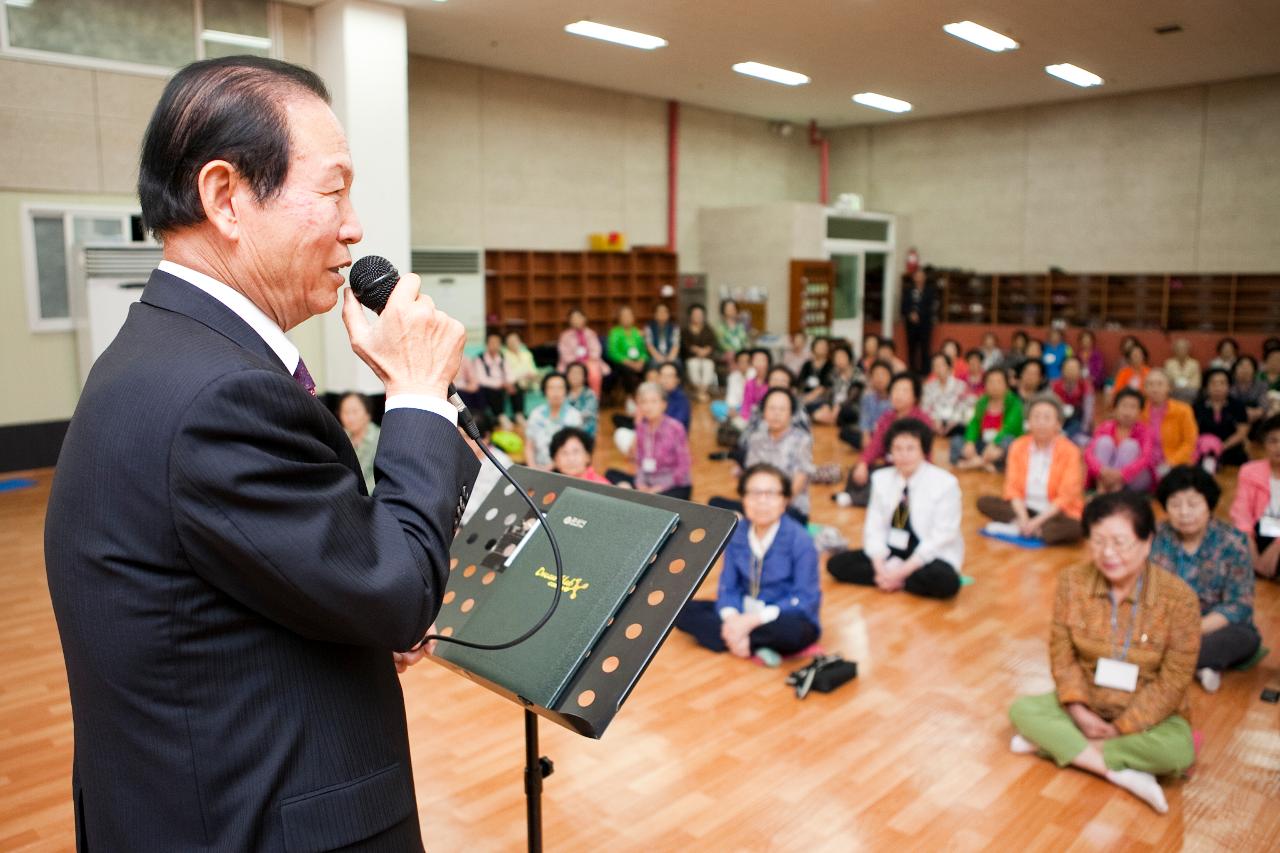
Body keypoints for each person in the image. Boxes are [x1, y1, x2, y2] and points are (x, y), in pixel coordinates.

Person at [43, 57, 479, 851]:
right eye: (333, 189)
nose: (354, 226)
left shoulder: (158, 352)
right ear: (226, 197)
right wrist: (417, 392)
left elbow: (235, 584)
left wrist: (354, 605)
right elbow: (400, 590)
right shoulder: (222, 396)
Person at [1007, 491, 1200, 814]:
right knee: (1022, 710)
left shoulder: (1179, 600)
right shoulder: (1073, 582)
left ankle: (1059, 746)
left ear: (1147, 541)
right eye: (1097, 541)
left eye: (1120, 542)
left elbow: (1174, 680)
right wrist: (1080, 711)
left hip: (1148, 715)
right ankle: (1119, 772)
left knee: (1178, 752)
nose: (1107, 553)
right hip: (1086, 700)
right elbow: (1062, 654)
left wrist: (1123, 726)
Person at [675, 464, 820, 665]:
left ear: (785, 500)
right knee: (681, 610)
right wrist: (734, 619)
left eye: (770, 494)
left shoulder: (800, 540)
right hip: (744, 609)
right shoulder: (737, 534)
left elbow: (805, 599)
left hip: (782, 615)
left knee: (792, 632)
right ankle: (752, 644)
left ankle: (737, 640)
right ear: (743, 499)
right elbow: (727, 587)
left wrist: (751, 621)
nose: (762, 501)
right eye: (754, 493)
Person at [1151, 466, 1263, 692]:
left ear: (1209, 505)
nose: (1184, 512)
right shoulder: (1156, 536)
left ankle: (1167, 659)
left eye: (1193, 504)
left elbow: (1238, 604)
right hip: (1163, 623)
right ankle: (1197, 665)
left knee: (1246, 639)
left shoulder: (1232, 542)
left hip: (1213, 625)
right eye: (1175, 504)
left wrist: (1192, 629)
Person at [827, 418, 963, 599]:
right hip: (892, 550)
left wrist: (902, 572)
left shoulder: (945, 484)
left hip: (925, 555)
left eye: (910, 448)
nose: (904, 455)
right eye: (898, 449)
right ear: (890, 452)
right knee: (836, 564)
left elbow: (941, 537)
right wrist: (879, 565)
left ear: (924, 450)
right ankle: (890, 578)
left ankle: (898, 580)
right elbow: (873, 527)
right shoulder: (881, 479)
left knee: (946, 582)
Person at [977, 396, 1085, 545]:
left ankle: (1022, 529)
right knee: (984, 502)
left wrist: (1036, 522)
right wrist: (1024, 518)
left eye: (1047, 418)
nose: (1041, 423)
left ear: (1058, 424)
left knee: (1078, 527)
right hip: (1025, 508)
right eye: (1036, 417)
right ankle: (1028, 528)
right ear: (1029, 422)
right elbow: (1012, 488)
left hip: (1054, 512)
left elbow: (1066, 497)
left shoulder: (1070, 451)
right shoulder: (1018, 446)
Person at [719, 388, 814, 524]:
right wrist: (754, 504)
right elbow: (751, 476)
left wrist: (775, 507)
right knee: (715, 503)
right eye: (772, 408)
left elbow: (800, 478)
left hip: (789, 506)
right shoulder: (756, 438)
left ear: (791, 413)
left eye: (782, 409)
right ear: (764, 412)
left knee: (786, 520)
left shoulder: (802, 440)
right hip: (758, 503)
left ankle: (747, 521)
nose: (776, 414)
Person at [840, 372, 934, 507]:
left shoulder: (923, 420)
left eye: (904, 391)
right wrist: (863, 463)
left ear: (915, 397)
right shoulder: (887, 418)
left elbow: (926, 457)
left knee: (893, 488)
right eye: (895, 390)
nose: (898, 395)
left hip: (912, 470)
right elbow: (875, 445)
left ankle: (857, 499)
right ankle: (860, 497)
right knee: (857, 472)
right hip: (891, 467)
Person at [1230, 414, 1280, 579]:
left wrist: (1277, 547)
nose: (1278, 447)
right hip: (1259, 531)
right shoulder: (1250, 471)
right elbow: (1241, 512)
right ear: (1264, 444)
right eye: (1273, 441)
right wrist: (1249, 543)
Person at [627, 382, 693, 500]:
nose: (648, 406)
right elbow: (639, 461)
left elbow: (683, 466)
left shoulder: (675, 428)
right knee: (612, 474)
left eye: (653, 401)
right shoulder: (641, 427)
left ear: (663, 404)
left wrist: (658, 488)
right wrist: (640, 484)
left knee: (651, 502)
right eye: (644, 402)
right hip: (649, 482)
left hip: (673, 485)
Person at [1086, 388, 1157, 493]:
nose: (1127, 412)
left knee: (1130, 446)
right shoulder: (1104, 427)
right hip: (1104, 476)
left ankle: (1114, 491)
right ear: (1115, 408)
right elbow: (1089, 453)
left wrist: (1121, 474)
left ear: (1140, 412)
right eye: (1124, 406)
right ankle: (1102, 490)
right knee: (1104, 442)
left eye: (1133, 407)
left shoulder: (1145, 431)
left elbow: (1145, 458)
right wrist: (1101, 470)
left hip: (1134, 478)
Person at [954, 368, 1023, 471]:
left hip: (1000, 444)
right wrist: (970, 442)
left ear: (1006, 385)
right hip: (984, 443)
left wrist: (994, 443)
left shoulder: (1014, 403)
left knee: (1009, 442)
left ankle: (976, 463)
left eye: (999, 382)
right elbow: (974, 423)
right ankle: (986, 464)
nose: (994, 386)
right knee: (956, 441)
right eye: (990, 382)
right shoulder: (982, 401)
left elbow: (1009, 427)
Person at [460, 410, 514, 525]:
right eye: (459, 436)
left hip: (490, 523)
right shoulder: (457, 458)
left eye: (467, 437)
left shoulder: (501, 463)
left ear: (486, 437)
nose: (462, 442)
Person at [1142, 369, 1197, 477]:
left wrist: (1172, 462)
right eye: (1150, 384)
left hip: (1175, 462)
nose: (1155, 389)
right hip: (1148, 463)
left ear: (1169, 387)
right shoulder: (1140, 411)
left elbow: (1190, 442)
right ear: (1144, 388)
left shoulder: (1183, 410)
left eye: (1160, 384)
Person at [524, 371, 583, 470]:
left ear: (566, 391)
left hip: (564, 469)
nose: (556, 392)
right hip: (537, 466)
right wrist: (532, 467)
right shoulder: (536, 414)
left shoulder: (574, 416)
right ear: (545, 391)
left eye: (560, 388)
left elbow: (572, 450)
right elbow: (529, 447)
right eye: (551, 388)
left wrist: (548, 469)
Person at [1194, 367, 1250, 470]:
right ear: (1206, 386)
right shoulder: (1197, 406)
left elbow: (1242, 432)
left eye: (1222, 383)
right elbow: (1192, 431)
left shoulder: (1237, 405)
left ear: (1229, 386)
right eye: (1213, 383)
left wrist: (1222, 447)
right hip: (1205, 450)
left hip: (1232, 449)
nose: (1218, 387)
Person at [557, 307, 608, 397]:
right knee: (575, 371)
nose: (576, 320)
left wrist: (588, 360)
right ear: (570, 321)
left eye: (579, 317)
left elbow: (596, 350)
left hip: (590, 362)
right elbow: (565, 354)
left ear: (584, 318)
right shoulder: (565, 336)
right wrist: (578, 362)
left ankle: (594, 399)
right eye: (573, 318)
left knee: (594, 372)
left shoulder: (591, 333)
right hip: (571, 363)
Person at [338, 391, 380, 494]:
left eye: (355, 412)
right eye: (346, 412)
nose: (350, 418)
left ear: (367, 413)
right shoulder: (340, 436)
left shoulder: (379, 438)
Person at [923, 352, 970, 437]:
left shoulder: (961, 385)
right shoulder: (928, 387)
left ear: (949, 367)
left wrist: (952, 422)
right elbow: (925, 407)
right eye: (935, 366)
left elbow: (963, 406)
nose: (938, 368)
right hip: (935, 422)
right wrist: (935, 420)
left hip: (955, 422)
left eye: (942, 365)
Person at [1051, 355, 1095, 443]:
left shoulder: (1086, 387)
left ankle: (1065, 436)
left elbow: (1088, 412)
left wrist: (1084, 429)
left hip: (1078, 421)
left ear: (1080, 371)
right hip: (1059, 419)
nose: (1071, 371)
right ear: (1062, 370)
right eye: (1068, 368)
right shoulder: (1054, 385)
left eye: (1075, 368)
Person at [607, 305, 649, 397]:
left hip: (637, 361)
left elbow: (643, 351)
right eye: (624, 316)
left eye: (629, 315)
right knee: (626, 371)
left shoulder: (637, 332)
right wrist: (629, 363)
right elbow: (613, 352)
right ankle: (630, 396)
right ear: (619, 318)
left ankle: (647, 394)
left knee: (649, 366)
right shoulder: (615, 332)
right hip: (622, 362)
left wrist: (641, 361)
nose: (627, 318)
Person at [680, 303, 719, 400]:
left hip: (706, 357)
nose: (698, 317)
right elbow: (685, 344)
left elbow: (713, 343)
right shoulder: (685, 330)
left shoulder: (708, 329)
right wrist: (696, 350)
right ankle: (701, 392)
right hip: (691, 357)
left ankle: (701, 391)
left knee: (708, 365)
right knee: (693, 365)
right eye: (695, 314)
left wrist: (706, 350)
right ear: (690, 316)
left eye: (700, 315)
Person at [901, 268, 937, 374]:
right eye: (917, 275)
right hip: (911, 325)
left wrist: (919, 315)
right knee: (912, 348)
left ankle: (925, 371)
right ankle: (912, 370)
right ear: (913, 277)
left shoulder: (930, 291)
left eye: (921, 276)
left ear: (925, 277)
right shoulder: (908, 291)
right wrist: (910, 314)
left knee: (925, 348)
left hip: (925, 324)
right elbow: (903, 306)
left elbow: (931, 307)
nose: (919, 278)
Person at [472, 330, 513, 421]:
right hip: (487, 387)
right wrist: (499, 384)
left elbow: (509, 373)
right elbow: (481, 379)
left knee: (516, 388)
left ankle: (519, 414)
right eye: (492, 342)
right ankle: (500, 416)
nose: (495, 345)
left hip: (503, 385)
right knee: (494, 391)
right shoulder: (480, 359)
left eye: (497, 343)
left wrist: (508, 383)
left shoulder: (502, 357)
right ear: (487, 344)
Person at [502, 330, 540, 422]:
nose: (513, 343)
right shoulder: (503, 355)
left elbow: (533, 369)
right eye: (510, 341)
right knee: (517, 384)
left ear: (519, 341)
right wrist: (522, 375)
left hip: (530, 381)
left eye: (515, 340)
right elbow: (509, 373)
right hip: (516, 381)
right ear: (506, 343)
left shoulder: (527, 354)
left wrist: (532, 375)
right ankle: (519, 415)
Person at [858, 360, 895, 447]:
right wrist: (865, 436)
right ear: (871, 378)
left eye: (883, 374)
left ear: (890, 377)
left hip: (888, 435)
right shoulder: (867, 397)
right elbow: (864, 419)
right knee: (846, 433)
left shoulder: (894, 398)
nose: (879, 378)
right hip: (871, 433)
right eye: (876, 375)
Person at [563, 361, 599, 437]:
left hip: (585, 431)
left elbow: (586, 416)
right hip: (565, 430)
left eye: (578, 373)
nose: (575, 376)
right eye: (572, 373)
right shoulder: (563, 394)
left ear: (585, 377)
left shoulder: (590, 395)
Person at [1230, 355, 1268, 424]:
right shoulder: (1229, 384)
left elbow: (1263, 402)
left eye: (1248, 366)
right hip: (1233, 415)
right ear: (1234, 369)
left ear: (1254, 370)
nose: (1245, 369)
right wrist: (1244, 411)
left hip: (1256, 416)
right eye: (1241, 366)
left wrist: (1259, 411)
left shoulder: (1261, 385)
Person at [1164, 338, 1201, 403]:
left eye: (1184, 348)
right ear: (1174, 350)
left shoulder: (1194, 364)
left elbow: (1196, 384)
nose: (1181, 350)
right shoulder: (1169, 363)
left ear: (1188, 350)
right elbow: (1167, 382)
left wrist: (1180, 386)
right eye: (1178, 348)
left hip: (1189, 395)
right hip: (1173, 394)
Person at [714, 298, 751, 362]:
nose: (731, 309)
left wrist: (743, 352)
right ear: (723, 310)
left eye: (733, 307)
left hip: (741, 353)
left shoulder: (741, 326)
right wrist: (735, 351)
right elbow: (722, 344)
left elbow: (745, 341)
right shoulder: (720, 328)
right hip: (726, 354)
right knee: (732, 355)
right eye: (728, 308)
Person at [644, 302, 681, 366]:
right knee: (653, 363)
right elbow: (649, 345)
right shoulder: (649, 327)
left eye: (665, 312)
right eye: (660, 312)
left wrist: (670, 357)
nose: (662, 314)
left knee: (677, 362)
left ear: (668, 314)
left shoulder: (674, 327)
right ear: (655, 315)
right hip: (655, 357)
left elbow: (676, 345)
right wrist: (659, 357)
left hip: (670, 355)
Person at [739, 347, 772, 419]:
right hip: (751, 418)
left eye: (762, 360)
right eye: (756, 360)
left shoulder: (772, 382)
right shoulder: (749, 383)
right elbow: (746, 404)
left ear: (768, 362)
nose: (759, 363)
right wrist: (745, 418)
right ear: (752, 362)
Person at [658, 361, 691, 431]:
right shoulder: (656, 395)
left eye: (669, 376)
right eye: (662, 375)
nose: (665, 380)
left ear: (677, 380)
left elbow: (675, 425)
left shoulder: (682, 400)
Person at [797, 335, 832, 400]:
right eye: (819, 345)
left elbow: (826, 385)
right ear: (813, 347)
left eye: (824, 346)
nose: (822, 348)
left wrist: (809, 397)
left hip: (822, 397)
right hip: (804, 394)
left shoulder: (830, 365)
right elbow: (800, 380)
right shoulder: (807, 364)